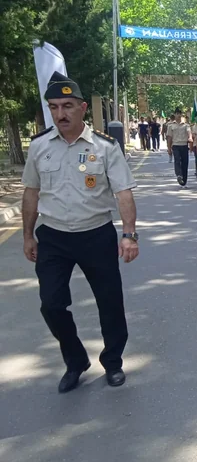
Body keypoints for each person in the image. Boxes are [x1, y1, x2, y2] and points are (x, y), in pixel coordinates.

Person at [21, 72, 139, 393]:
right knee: (51, 305)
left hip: (96, 234)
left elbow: (123, 193)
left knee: (109, 302)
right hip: (54, 237)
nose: (61, 113)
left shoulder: (105, 147)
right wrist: (28, 234)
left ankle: (112, 362)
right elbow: (31, 192)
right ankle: (76, 361)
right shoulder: (39, 146)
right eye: (55, 106)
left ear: (82, 107)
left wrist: (129, 234)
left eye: (68, 106)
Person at [166, 108, 193, 187]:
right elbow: (169, 138)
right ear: (174, 115)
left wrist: (190, 138)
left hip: (184, 145)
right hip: (176, 145)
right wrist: (169, 148)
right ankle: (179, 175)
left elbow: (189, 132)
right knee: (177, 160)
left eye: (179, 113)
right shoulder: (171, 126)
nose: (178, 115)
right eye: (177, 114)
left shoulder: (186, 125)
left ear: (181, 115)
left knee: (185, 163)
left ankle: (183, 181)